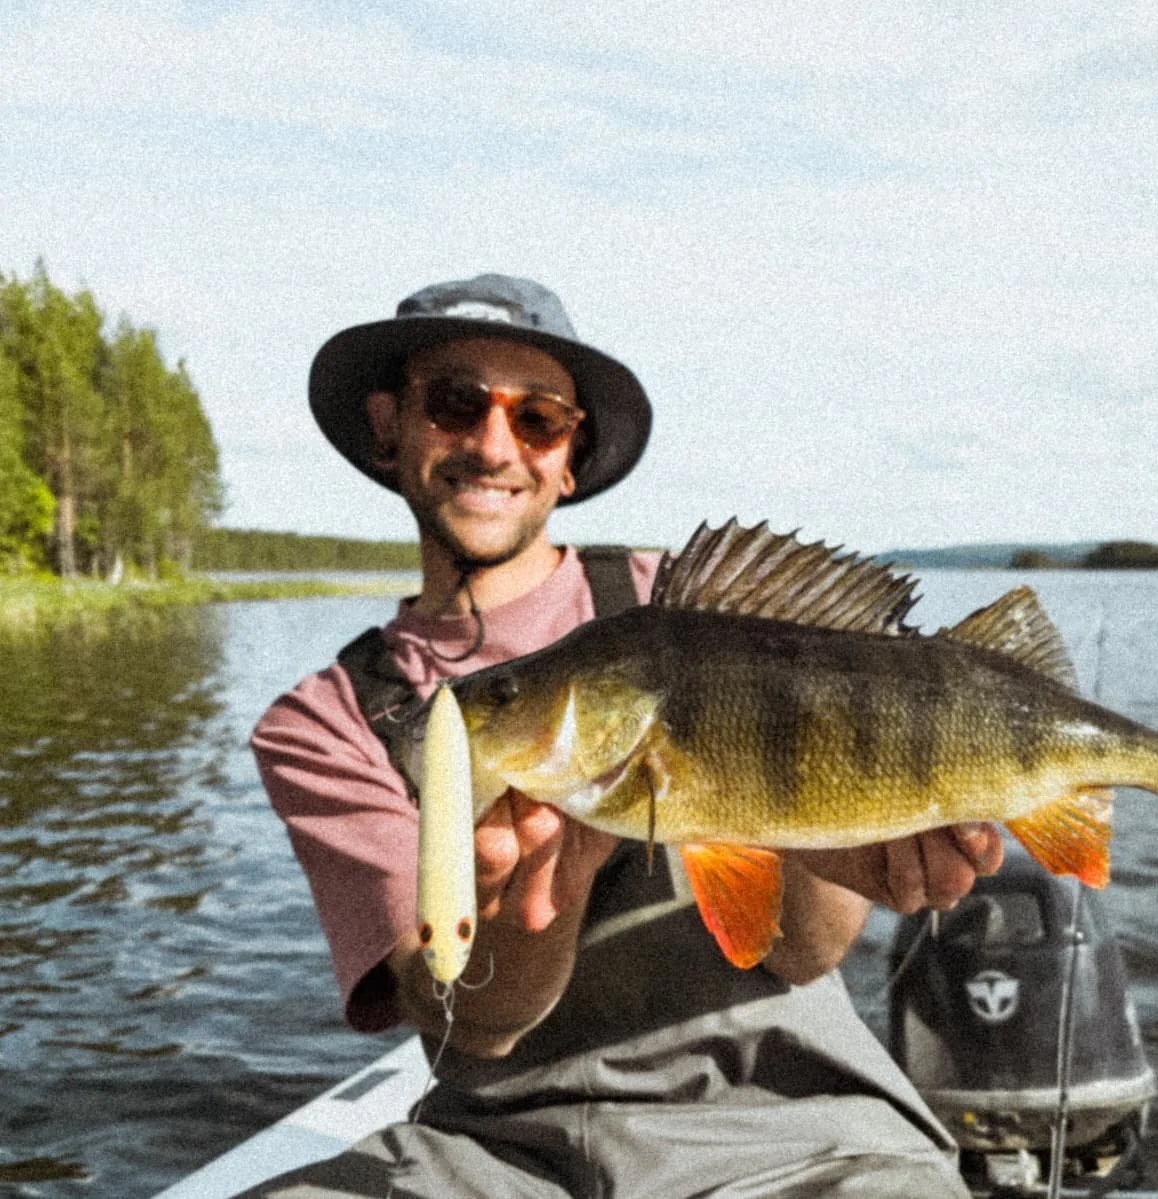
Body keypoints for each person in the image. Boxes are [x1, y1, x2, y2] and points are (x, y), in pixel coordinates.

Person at [249, 274, 1004, 1197]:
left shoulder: (687, 603)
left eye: (538, 418)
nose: (494, 445)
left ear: (571, 456)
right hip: (501, 1150)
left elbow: (802, 951)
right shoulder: (326, 721)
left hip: (802, 1128)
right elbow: (468, 1028)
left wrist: (826, 836)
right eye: (454, 403)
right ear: (386, 425)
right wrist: (543, 894)